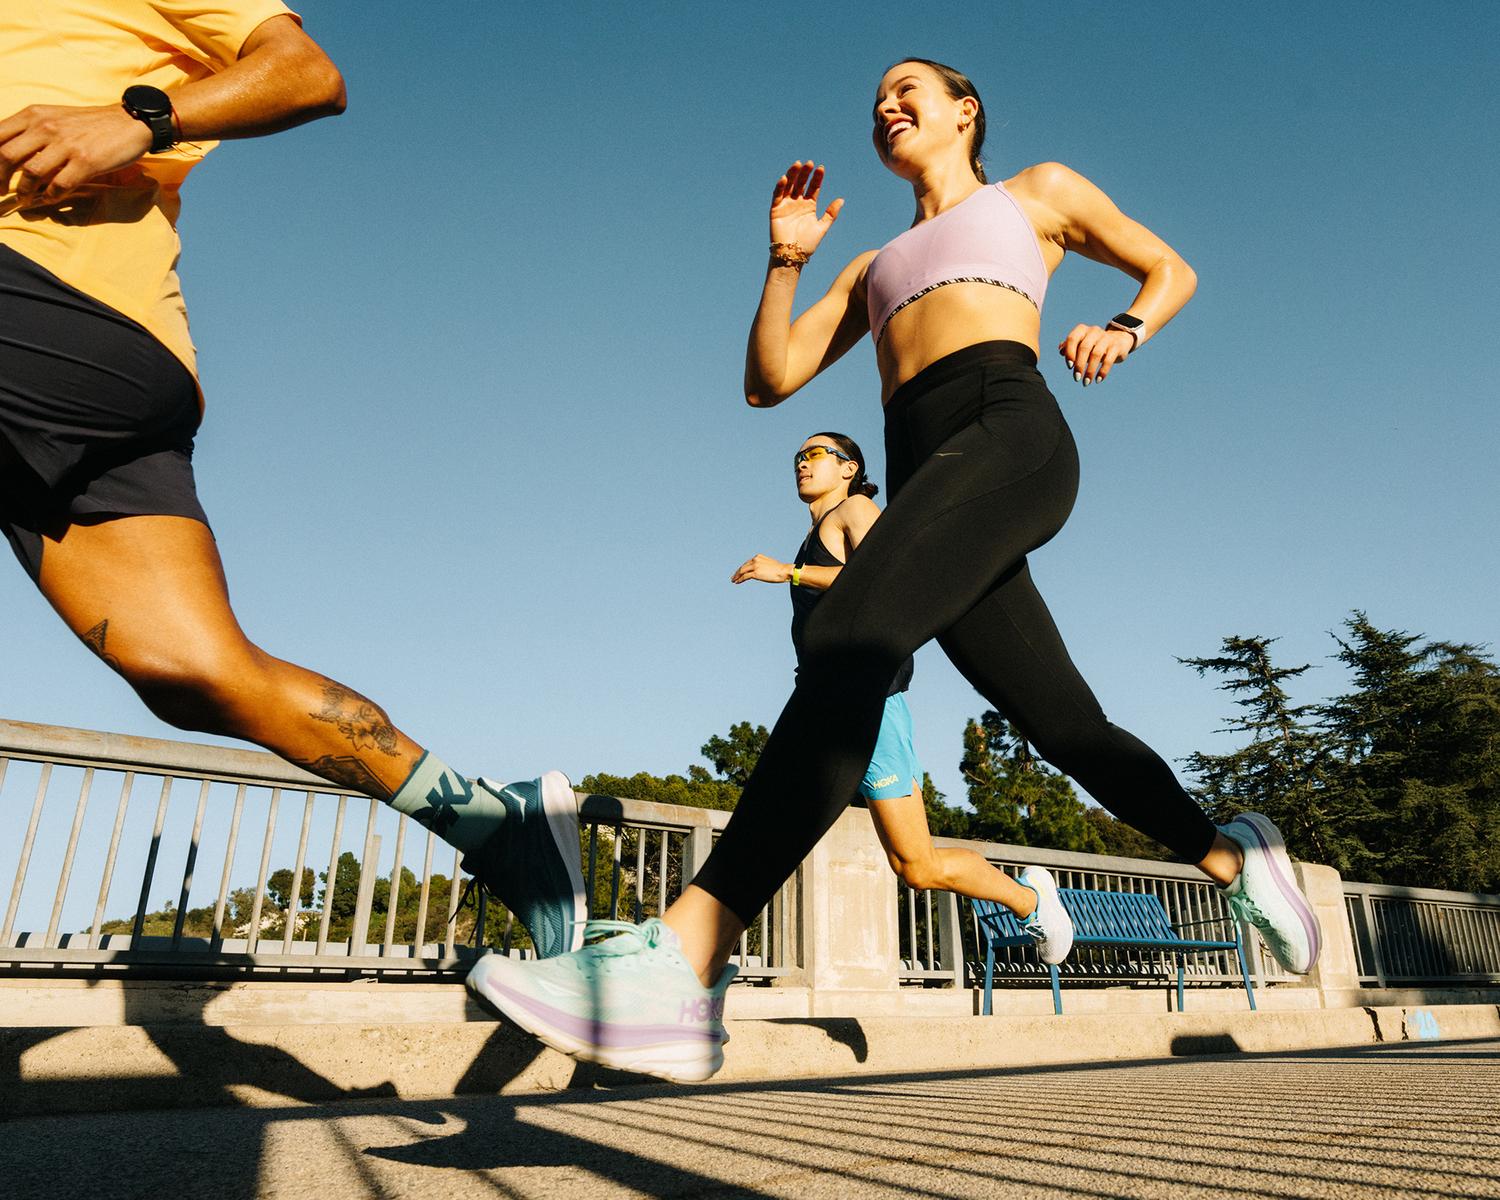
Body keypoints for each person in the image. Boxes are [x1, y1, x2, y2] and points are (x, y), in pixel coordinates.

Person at [469, 57, 1322, 1079]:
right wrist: (783, 262)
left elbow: (1168, 267)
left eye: (908, 86)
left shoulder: (1036, 194)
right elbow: (770, 381)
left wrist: (1126, 325)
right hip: (928, 475)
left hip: (1008, 431)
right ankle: (1233, 854)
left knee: (845, 639)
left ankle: (688, 958)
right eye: (876, 96)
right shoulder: (871, 263)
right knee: (1061, 723)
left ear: (965, 112)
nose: (887, 103)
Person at [0, 3, 583, 955]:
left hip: (51, 288)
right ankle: (492, 824)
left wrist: (139, 118)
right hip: (101, 357)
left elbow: (306, 72)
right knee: (194, 671)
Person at [732, 430, 1070, 955]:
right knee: (766, 838)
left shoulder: (856, 510)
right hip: (824, 698)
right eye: (797, 456)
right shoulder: (817, 530)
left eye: (816, 454)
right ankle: (702, 972)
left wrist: (790, 572)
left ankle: (1030, 901)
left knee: (917, 865)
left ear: (848, 469)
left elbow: (888, 579)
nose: (802, 463)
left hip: (871, 701)